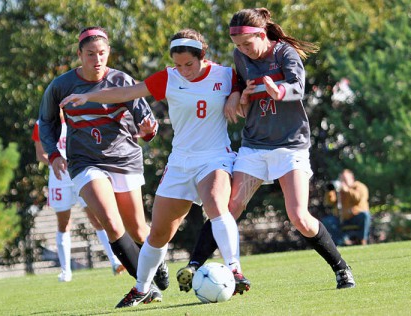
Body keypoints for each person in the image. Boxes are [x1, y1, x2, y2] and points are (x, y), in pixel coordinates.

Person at [60, 28, 251, 309]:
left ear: (203, 56)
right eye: (178, 64)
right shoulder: (168, 77)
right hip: (179, 163)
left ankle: (234, 269)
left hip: (214, 158)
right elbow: (127, 92)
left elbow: (246, 84)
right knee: (157, 234)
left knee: (215, 204)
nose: (183, 70)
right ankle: (141, 289)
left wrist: (236, 93)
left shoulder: (225, 75)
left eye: (189, 64)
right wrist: (88, 97)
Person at [177, 8, 356, 291]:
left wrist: (279, 91)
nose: (243, 51)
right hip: (254, 147)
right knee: (228, 208)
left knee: (298, 217)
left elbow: (298, 87)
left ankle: (341, 268)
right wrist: (236, 95)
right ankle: (194, 265)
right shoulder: (241, 57)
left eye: (247, 44)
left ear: (262, 35)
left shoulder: (285, 54)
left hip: (289, 146)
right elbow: (237, 79)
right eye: (238, 46)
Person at [38, 26, 169, 299]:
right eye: (89, 54)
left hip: (124, 159)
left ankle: (155, 261)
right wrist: (53, 154)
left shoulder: (121, 81)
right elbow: (46, 123)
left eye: (101, 53)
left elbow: (148, 126)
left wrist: (148, 130)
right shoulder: (61, 86)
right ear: (79, 55)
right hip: (84, 162)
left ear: (108, 52)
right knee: (109, 220)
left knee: (138, 229)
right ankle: (145, 289)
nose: (96, 60)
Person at [32, 116, 125, 281]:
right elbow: (40, 154)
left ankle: (115, 261)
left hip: (81, 174)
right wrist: (56, 161)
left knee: (97, 218)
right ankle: (66, 271)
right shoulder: (42, 124)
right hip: (59, 178)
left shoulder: (77, 116)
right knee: (63, 223)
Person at [323, 169, 371, 246]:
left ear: (352, 178)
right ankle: (341, 242)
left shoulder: (359, 186)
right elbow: (329, 203)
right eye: (341, 179)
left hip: (356, 217)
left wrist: (347, 190)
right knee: (327, 221)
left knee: (365, 215)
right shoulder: (339, 189)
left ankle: (362, 240)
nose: (343, 181)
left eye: (345, 179)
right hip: (341, 218)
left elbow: (358, 198)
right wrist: (330, 191)